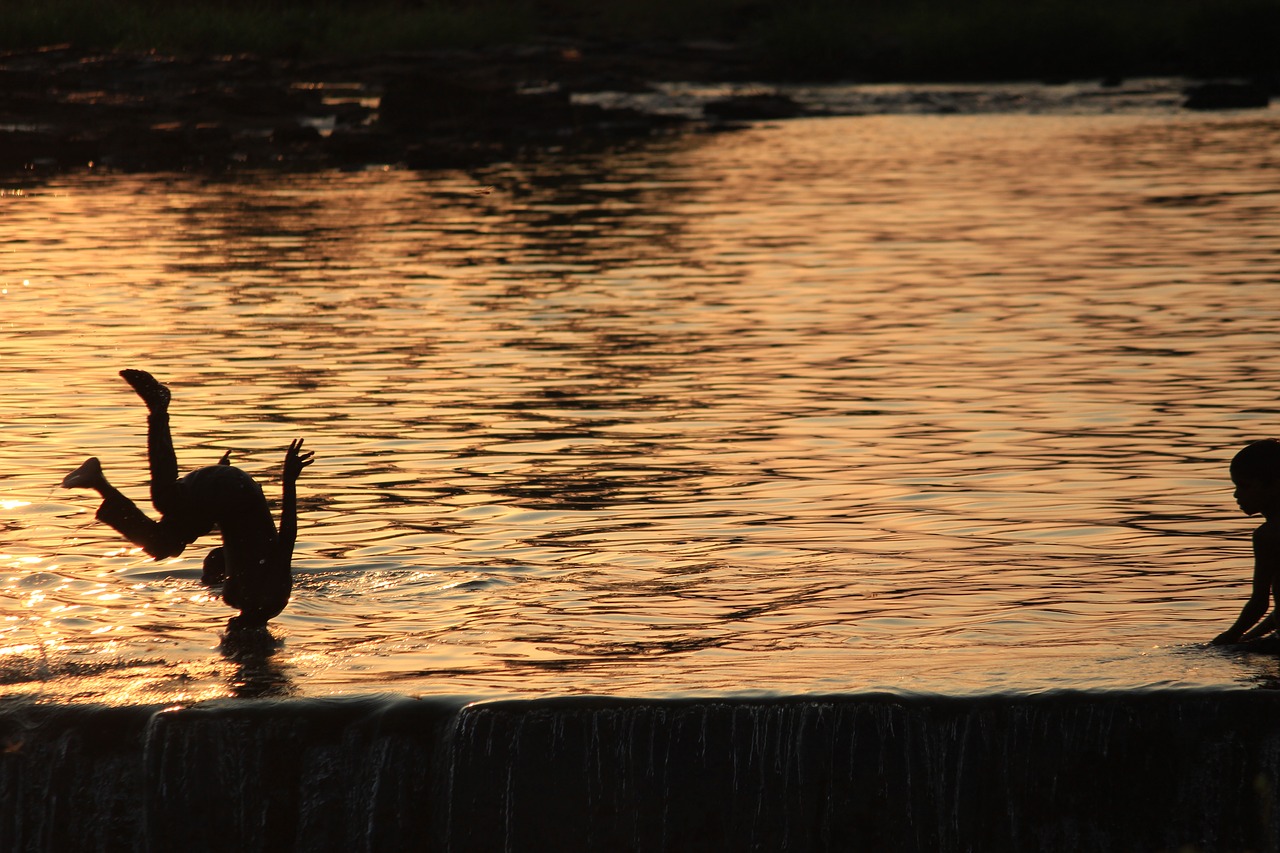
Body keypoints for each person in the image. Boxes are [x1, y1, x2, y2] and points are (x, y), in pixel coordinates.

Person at [61, 369, 314, 629]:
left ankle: (97, 481)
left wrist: (211, 509)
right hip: (231, 491)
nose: (225, 633)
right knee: (165, 500)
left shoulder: (241, 596)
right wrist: (289, 479)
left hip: (225, 501)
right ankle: (158, 407)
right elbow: (287, 539)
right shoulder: (270, 598)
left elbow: (227, 551)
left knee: (161, 545)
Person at [1211, 439, 1280, 645]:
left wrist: (1227, 639)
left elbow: (1259, 604)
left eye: (1244, 486)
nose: (1236, 494)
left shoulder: (1269, 535)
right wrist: (1248, 638)